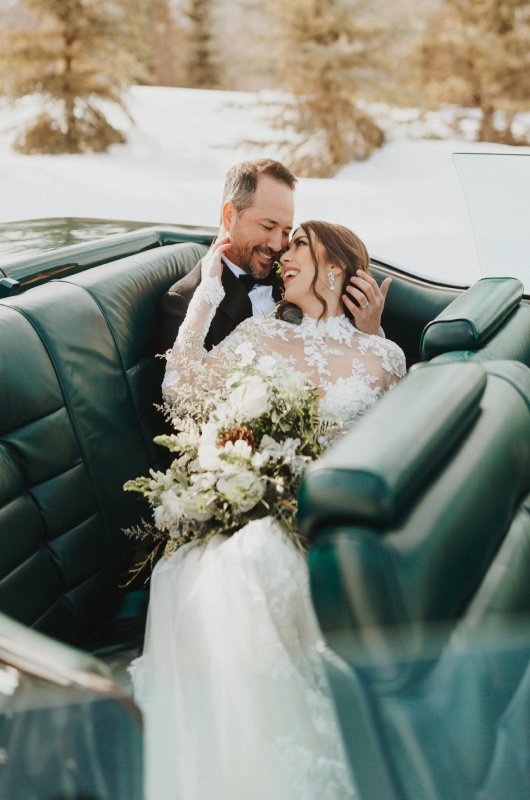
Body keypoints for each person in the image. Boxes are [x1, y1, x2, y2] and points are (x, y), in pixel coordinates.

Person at [134, 221, 406, 800]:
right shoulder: (258, 334)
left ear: (336, 267)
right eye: (285, 243)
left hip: (334, 519)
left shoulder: (385, 356)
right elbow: (181, 388)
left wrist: (370, 331)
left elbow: (392, 448)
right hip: (256, 507)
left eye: (300, 242)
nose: (284, 252)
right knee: (240, 563)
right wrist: (208, 289)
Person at [159, 158, 390, 353]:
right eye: (268, 227)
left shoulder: (298, 276)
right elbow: (185, 394)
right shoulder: (186, 300)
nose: (278, 245)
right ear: (230, 215)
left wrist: (370, 330)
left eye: (286, 232)